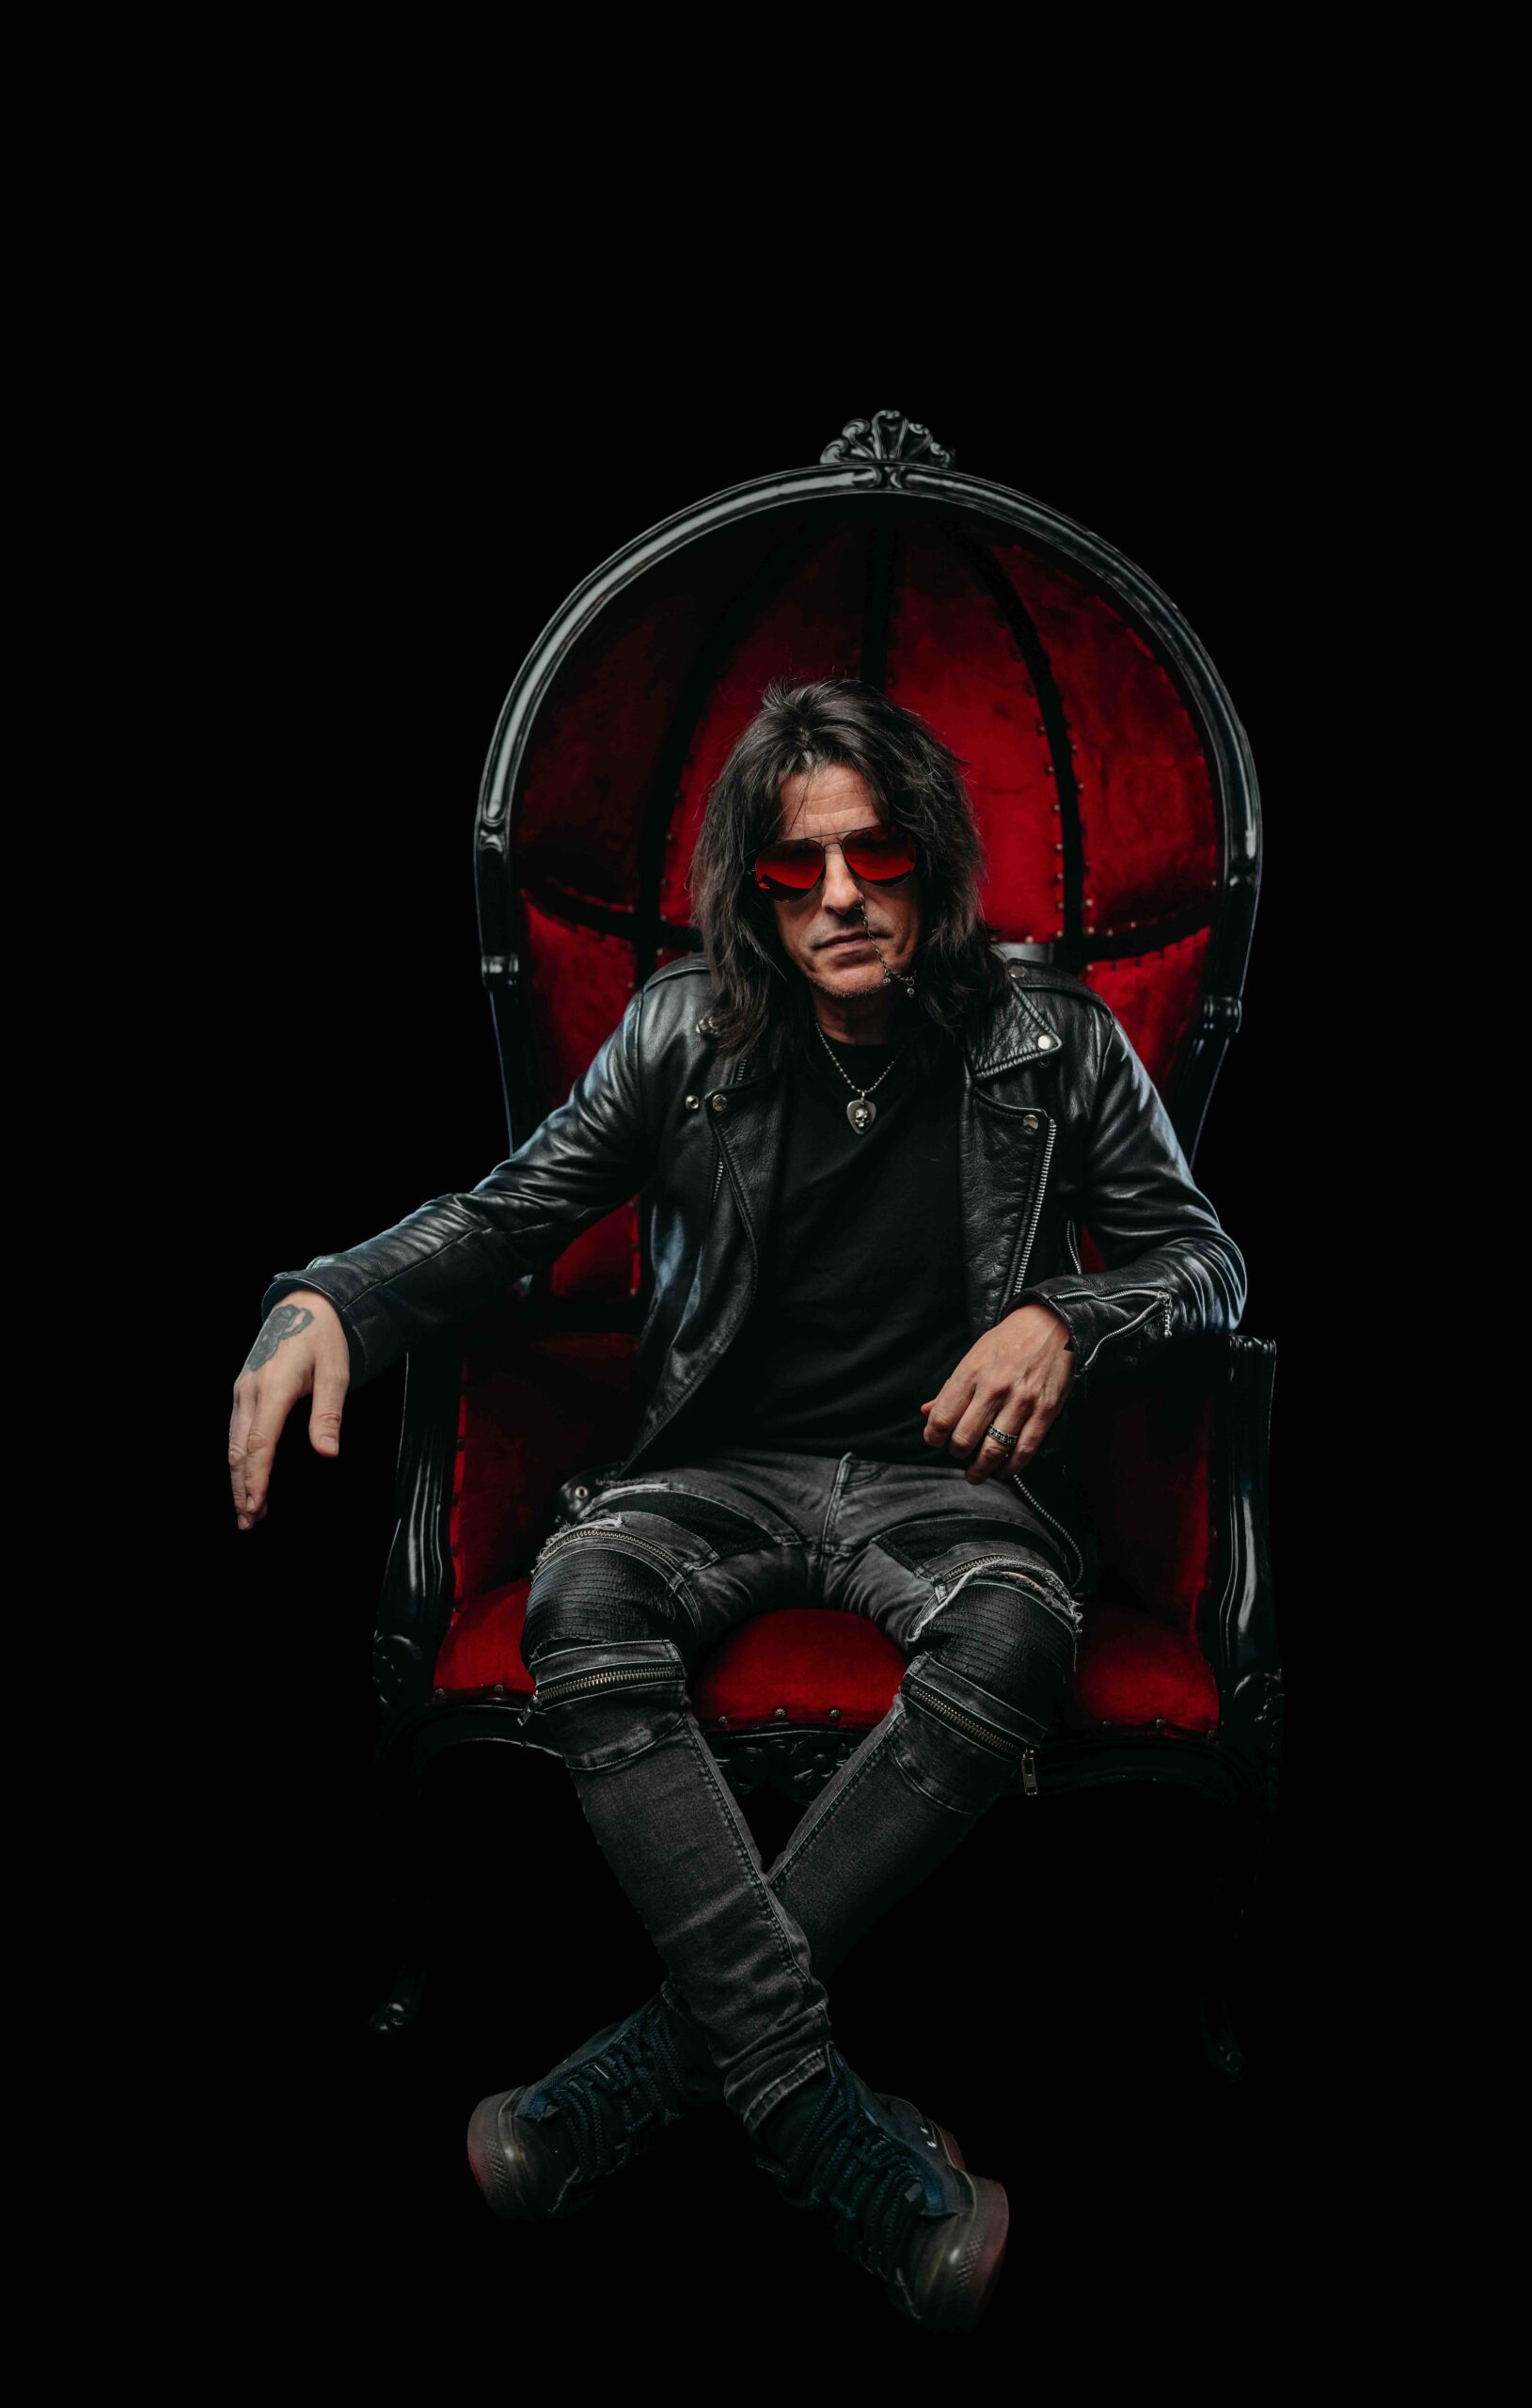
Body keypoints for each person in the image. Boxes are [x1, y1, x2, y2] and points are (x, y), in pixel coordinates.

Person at [230, 678, 1246, 2332]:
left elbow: (1205, 1261)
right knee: (580, 1594)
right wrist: (332, 1295)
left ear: (931, 859)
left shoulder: (1053, 1039)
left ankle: (634, 2080)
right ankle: (821, 2123)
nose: (840, 895)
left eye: (876, 852)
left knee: (1016, 1631)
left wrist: (1070, 1317)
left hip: (943, 1483)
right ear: (754, 889)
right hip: (711, 1472)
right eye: (795, 866)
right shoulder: (681, 1034)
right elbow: (509, 1215)